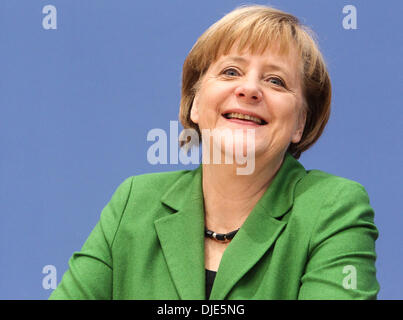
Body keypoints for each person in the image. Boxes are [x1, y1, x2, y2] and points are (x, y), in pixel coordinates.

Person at [49, 5, 379, 300]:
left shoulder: (334, 208)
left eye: (276, 81)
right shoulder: (133, 202)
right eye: (231, 72)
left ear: (300, 123)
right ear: (193, 103)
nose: (249, 89)